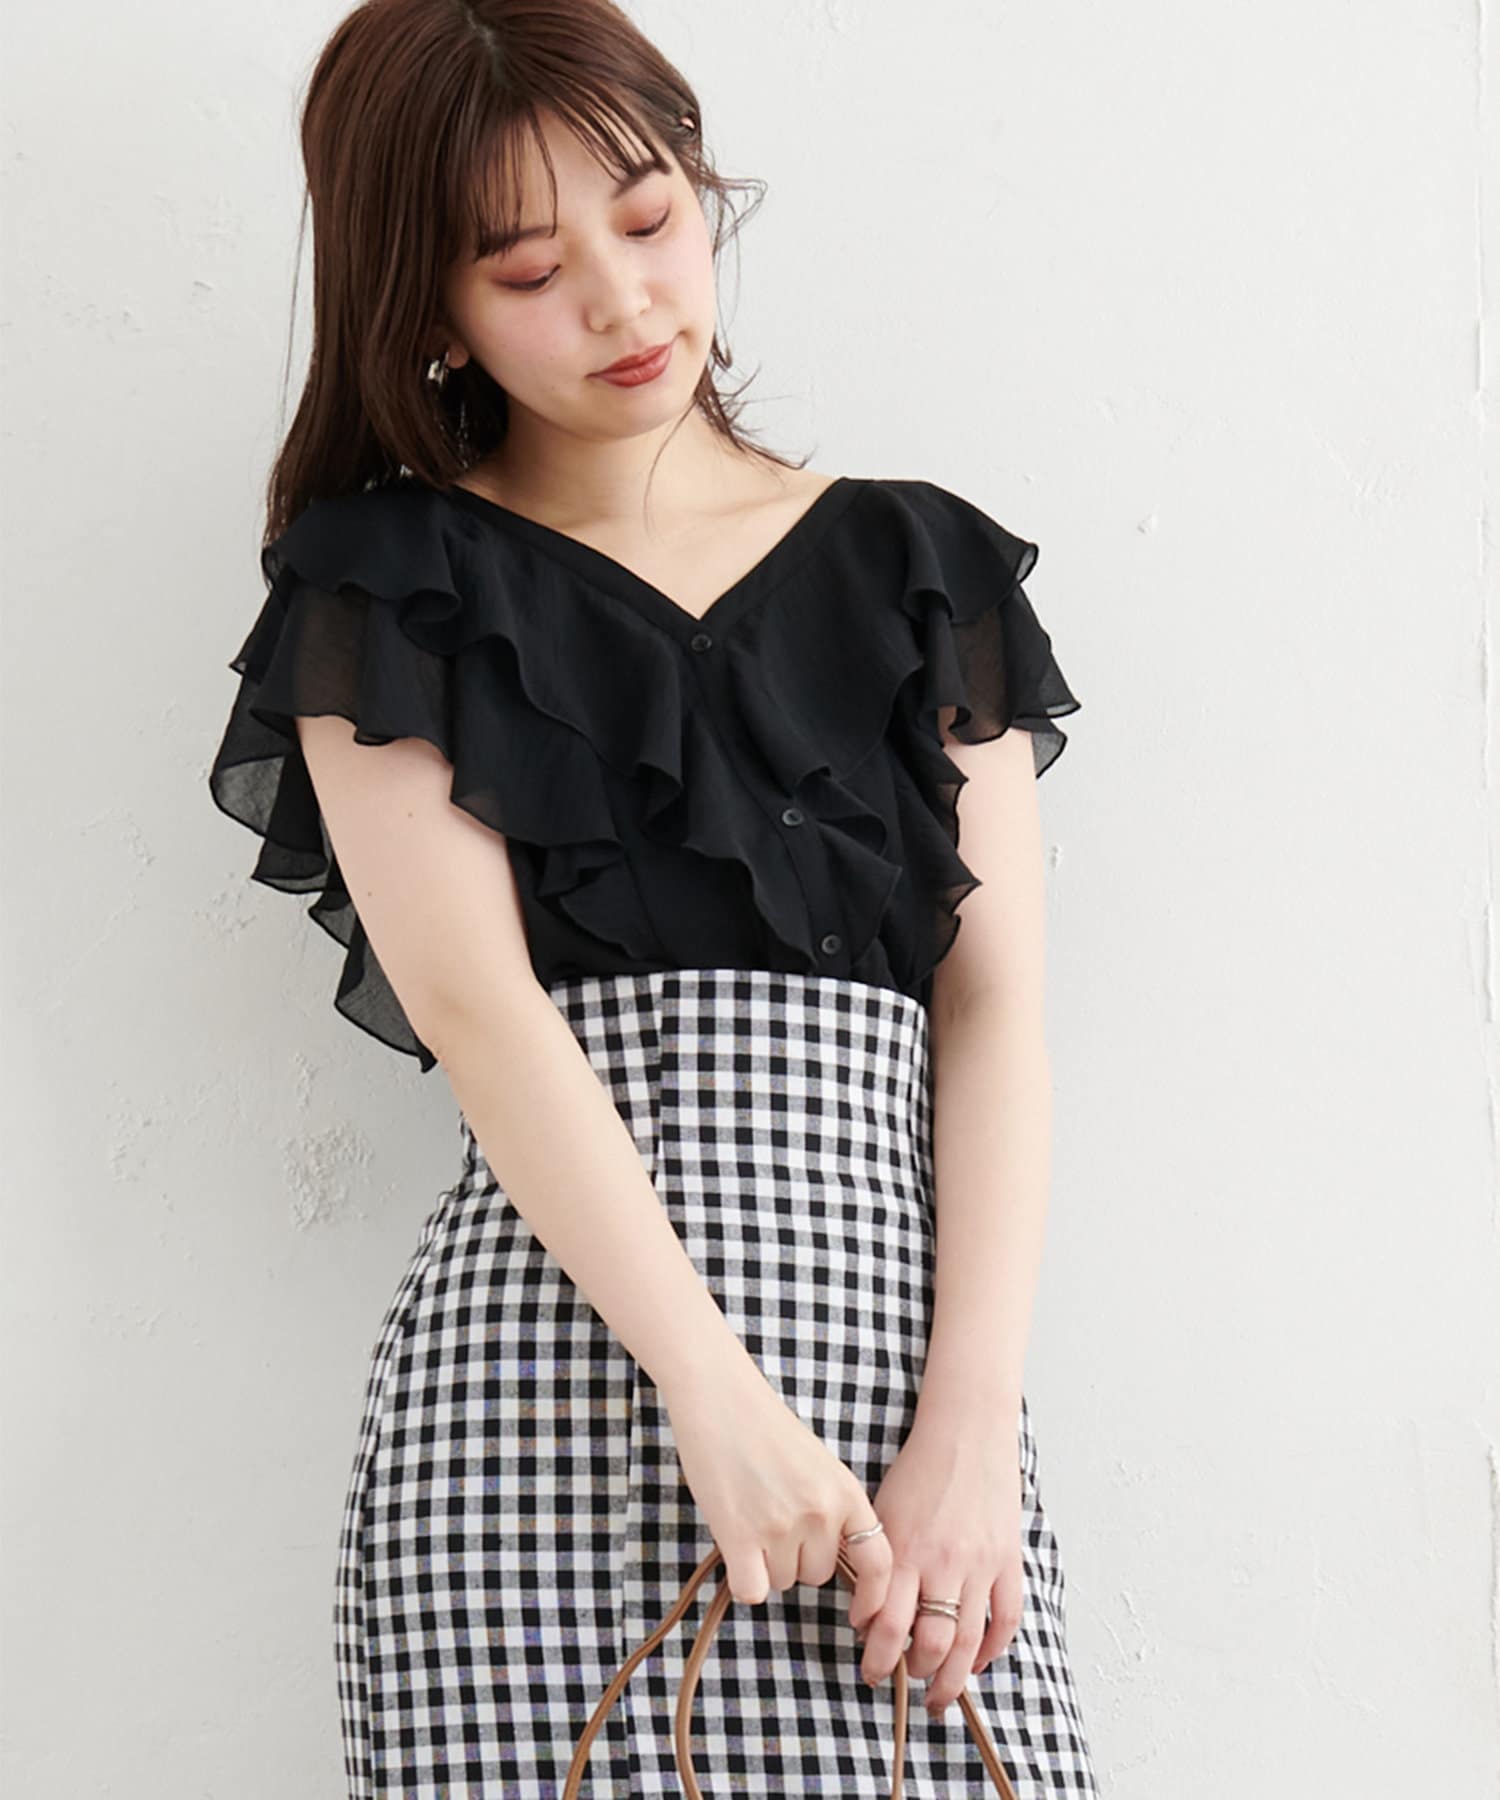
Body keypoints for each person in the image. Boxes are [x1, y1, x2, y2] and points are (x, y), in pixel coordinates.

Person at [207, 1, 1097, 1794]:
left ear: (704, 188)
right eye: (529, 269)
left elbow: (995, 1006)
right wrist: (709, 1389)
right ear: (428, 305)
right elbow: (477, 1009)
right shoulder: (388, 589)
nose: (623, 305)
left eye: (649, 218)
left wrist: (972, 1426)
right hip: (545, 1394)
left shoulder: (918, 566)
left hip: (903, 1397)